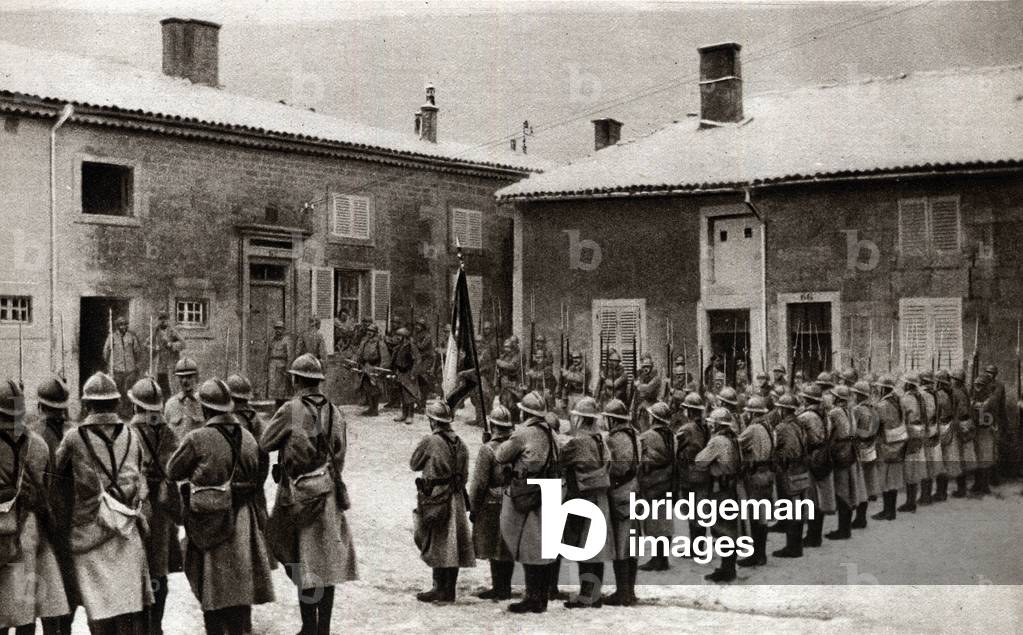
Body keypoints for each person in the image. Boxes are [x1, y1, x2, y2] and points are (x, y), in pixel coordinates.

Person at [168, 378, 274, 634]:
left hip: (209, 521)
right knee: (240, 588)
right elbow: (262, 470)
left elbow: (172, 471)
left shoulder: (197, 438)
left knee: (213, 592)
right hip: (243, 520)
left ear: (205, 410)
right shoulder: (248, 437)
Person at [261, 354, 357, 635]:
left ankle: (308, 627)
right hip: (326, 493)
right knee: (324, 563)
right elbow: (339, 453)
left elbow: (266, 443)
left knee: (300, 560)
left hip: (296, 495)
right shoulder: (334, 411)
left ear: (296, 380)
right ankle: (322, 628)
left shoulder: (292, 409)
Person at [55, 372, 152, 633]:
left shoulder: (75, 438)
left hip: (90, 532)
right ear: (116, 403)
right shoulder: (133, 435)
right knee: (128, 613)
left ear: (87, 405)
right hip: (128, 532)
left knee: (99, 615)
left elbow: (54, 474)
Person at [0, 379, 69, 635]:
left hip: (4, 532)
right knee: (24, 614)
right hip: (27, 532)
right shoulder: (38, 445)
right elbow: (48, 493)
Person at [494, 391, 560, 613]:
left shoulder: (523, 433)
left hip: (529, 492)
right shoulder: (552, 433)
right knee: (544, 549)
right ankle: (542, 596)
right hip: (551, 490)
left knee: (530, 547)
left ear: (525, 412)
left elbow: (501, 455)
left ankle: (533, 598)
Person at [127, 377, 181, 635]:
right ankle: (156, 626)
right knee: (159, 570)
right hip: (163, 506)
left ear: (135, 406)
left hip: (139, 507)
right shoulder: (169, 431)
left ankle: (142, 626)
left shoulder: (129, 432)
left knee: (139, 569)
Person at [409, 401, 474, 603]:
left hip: (436, 497)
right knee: (452, 543)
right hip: (456, 496)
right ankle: (449, 589)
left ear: (432, 421)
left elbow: (414, 464)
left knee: (437, 540)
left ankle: (439, 587)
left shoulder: (430, 440)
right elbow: (464, 475)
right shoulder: (461, 442)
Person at [32, 376, 77, 635]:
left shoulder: (36, 435)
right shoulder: (71, 432)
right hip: (61, 523)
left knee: (51, 597)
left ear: (40, 407)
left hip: (48, 525)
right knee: (62, 597)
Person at [559, 397, 613, 609]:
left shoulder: (577, 441)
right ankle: (594, 593)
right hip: (599, 495)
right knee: (595, 549)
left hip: (582, 495)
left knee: (584, 548)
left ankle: (586, 595)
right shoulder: (600, 439)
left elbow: (560, 458)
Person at [467, 405, 515, 601]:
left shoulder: (487, 450)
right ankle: (505, 586)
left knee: (495, 546)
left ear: (493, 426)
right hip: (513, 500)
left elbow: (479, 483)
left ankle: (500, 588)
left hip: (493, 502)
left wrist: (474, 507)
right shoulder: (516, 445)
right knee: (506, 547)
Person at [226, 373, 272, 563]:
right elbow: (265, 456)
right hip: (255, 483)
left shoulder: (228, 422)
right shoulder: (259, 421)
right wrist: (259, 482)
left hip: (233, 486)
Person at [693, 407, 741, 582]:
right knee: (729, 528)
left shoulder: (718, 441)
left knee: (721, 530)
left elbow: (700, 461)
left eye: (712, 423)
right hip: (731, 486)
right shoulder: (732, 438)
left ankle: (727, 570)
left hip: (720, 488)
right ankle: (728, 567)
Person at [600, 398, 639, 606]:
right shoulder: (634, 435)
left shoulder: (617, 439)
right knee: (630, 544)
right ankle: (628, 590)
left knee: (622, 545)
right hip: (633, 490)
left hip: (621, 493)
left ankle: (623, 592)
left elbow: (618, 468)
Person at [637, 401, 676, 572]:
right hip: (669, 482)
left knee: (653, 524)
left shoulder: (648, 436)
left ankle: (656, 559)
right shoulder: (672, 435)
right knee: (665, 523)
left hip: (652, 483)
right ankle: (663, 558)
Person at [770, 394, 809, 558]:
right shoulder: (799, 423)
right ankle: (796, 545)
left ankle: (792, 548)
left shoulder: (781, 427)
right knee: (798, 507)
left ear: (783, 409)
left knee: (790, 508)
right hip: (801, 468)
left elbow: (775, 448)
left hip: (787, 470)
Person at [737, 395, 774, 566]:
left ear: (752, 413)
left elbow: (738, 443)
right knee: (763, 516)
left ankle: (757, 555)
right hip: (767, 472)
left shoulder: (753, 429)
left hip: (755, 474)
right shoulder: (768, 427)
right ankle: (761, 554)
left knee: (755, 516)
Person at [826, 386, 866, 541]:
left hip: (839, 452)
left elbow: (828, 431)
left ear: (837, 398)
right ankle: (845, 528)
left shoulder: (834, 412)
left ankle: (843, 530)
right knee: (848, 490)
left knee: (842, 492)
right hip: (850, 451)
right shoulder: (850, 410)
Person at [796, 383, 834, 546]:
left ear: (806, 399)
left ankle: (813, 536)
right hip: (825, 453)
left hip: (812, 456)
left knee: (811, 498)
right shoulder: (825, 414)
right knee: (820, 495)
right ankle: (815, 534)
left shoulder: (805, 416)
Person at [676, 392, 710, 546]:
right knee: (701, 510)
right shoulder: (706, 426)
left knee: (692, 512)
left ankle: (695, 546)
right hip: (704, 473)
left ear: (689, 411)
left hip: (689, 474)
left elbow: (679, 450)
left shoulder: (686, 428)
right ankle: (699, 545)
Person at [872, 375, 906, 521]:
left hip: (885, 445)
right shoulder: (897, 401)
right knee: (893, 480)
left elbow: (875, 426)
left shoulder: (882, 405)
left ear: (883, 388)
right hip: (898, 443)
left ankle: (888, 511)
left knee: (886, 479)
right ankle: (890, 511)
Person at [850, 380, 880, 529]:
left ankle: (860, 519)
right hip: (870, 448)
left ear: (859, 395)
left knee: (859, 486)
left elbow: (852, 430)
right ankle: (861, 517)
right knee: (867, 484)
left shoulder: (857, 410)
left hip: (859, 449)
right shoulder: (873, 409)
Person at [103, 316, 143, 419]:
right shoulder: (111, 337)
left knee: (129, 392)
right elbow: (105, 352)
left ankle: (128, 413)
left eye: (125, 324)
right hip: (117, 370)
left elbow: (137, 352)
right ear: (117, 326)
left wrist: (136, 364)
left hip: (130, 370)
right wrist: (110, 364)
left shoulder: (131, 337)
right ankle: (118, 414)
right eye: (121, 324)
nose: (124, 326)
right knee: (118, 392)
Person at [899, 373, 926, 512]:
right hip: (920, 432)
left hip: (910, 434)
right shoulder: (920, 397)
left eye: (905, 383)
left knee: (910, 469)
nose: (903, 385)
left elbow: (901, 417)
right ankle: (911, 501)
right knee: (914, 467)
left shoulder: (906, 399)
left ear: (909, 385)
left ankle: (910, 503)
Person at [950, 369, 976, 498]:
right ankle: (963, 487)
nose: (951, 381)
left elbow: (956, 412)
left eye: (953, 379)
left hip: (960, 425)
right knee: (964, 457)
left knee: (959, 457)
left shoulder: (955, 392)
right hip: (967, 423)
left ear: (956, 380)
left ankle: (962, 489)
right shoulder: (964, 391)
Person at [151, 311, 186, 400]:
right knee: (160, 387)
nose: (162, 321)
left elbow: (183, 344)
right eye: (160, 319)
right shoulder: (155, 331)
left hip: (171, 364)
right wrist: (154, 347)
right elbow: (148, 343)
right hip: (160, 366)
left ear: (168, 320)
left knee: (172, 388)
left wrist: (172, 345)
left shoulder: (172, 331)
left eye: (164, 319)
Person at [165, 357, 202, 441]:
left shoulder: (203, 403)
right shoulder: (170, 404)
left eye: (189, 377)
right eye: (181, 377)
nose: (185, 381)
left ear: (196, 377)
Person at [355, 324, 387, 417]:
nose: (369, 333)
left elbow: (385, 357)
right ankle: (370, 407)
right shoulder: (365, 342)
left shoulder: (380, 343)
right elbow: (360, 353)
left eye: (371, 331)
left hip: (374, 367)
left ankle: (375, 409)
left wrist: (380, 370)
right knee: (366, 387)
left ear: (375, 333)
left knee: (374, 389)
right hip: (366, 367)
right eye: (368, 331)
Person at [389, 328, 419, 424]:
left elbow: (417, 360)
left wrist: (413, 373)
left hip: (408, 373)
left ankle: (410, 415)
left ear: (404, 337)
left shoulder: (411, 346)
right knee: (402, 394)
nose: (397, 338)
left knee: (409, 394)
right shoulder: (399, 347)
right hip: (400, 373)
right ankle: (404, 414)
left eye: (399, 336)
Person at [495, 339, 524, 425]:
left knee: (512, 404)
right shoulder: (503, 356)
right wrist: (496, 384)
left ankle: (514, 421)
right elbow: (497, 372)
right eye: (505, 347)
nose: (506, 349)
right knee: (503, 402)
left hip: (513, 383)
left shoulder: (516, 356)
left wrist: (501, 363)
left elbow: (512, 366)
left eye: (508, 347)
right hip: (504, 383)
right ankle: (505, 421)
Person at [266, 321, 293, 408]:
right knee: (273, 385)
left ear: (283, 330)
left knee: (282, 387)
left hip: (282, 364)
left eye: (280, 328)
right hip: (272, 364)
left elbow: (290, 355)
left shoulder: (287, 340)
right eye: (276, 328)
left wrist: (288, 368)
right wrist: (266, 364)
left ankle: (282, 405)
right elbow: (268, 352)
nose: (278, 330)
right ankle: (276, 405)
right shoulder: (272, 340)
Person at [631, 355, 661, 432]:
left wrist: (638, 385)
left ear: (651, 367)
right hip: (642, 406)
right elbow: (637, 393)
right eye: (644, 367)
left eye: (648, 367)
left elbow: (648, 388)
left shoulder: (656, 378)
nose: (646, 369)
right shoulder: (641, 376)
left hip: (652, 405)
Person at [412, 319, 437, 409]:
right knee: (418, 380)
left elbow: (421, 346)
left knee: (423, 380)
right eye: (416, 325)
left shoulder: (427, 336)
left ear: (423, 327)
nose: (417, 327)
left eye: (419, 325)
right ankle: (419, 403)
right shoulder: (417, 335)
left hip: (427, 359)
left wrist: (414, 342)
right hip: (420, 359)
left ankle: (422, 404)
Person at [559, 352, 589, 417]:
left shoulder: (585, 369)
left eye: (577, 358)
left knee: (579, 417)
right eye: (573, 358)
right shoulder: (571, 368)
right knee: (571, 417)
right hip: (571, 395)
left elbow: (580, 379)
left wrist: (567, 374)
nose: (575, 360)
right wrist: (564, 399)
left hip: (581, 396)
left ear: (581, 358)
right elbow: (566, 384)